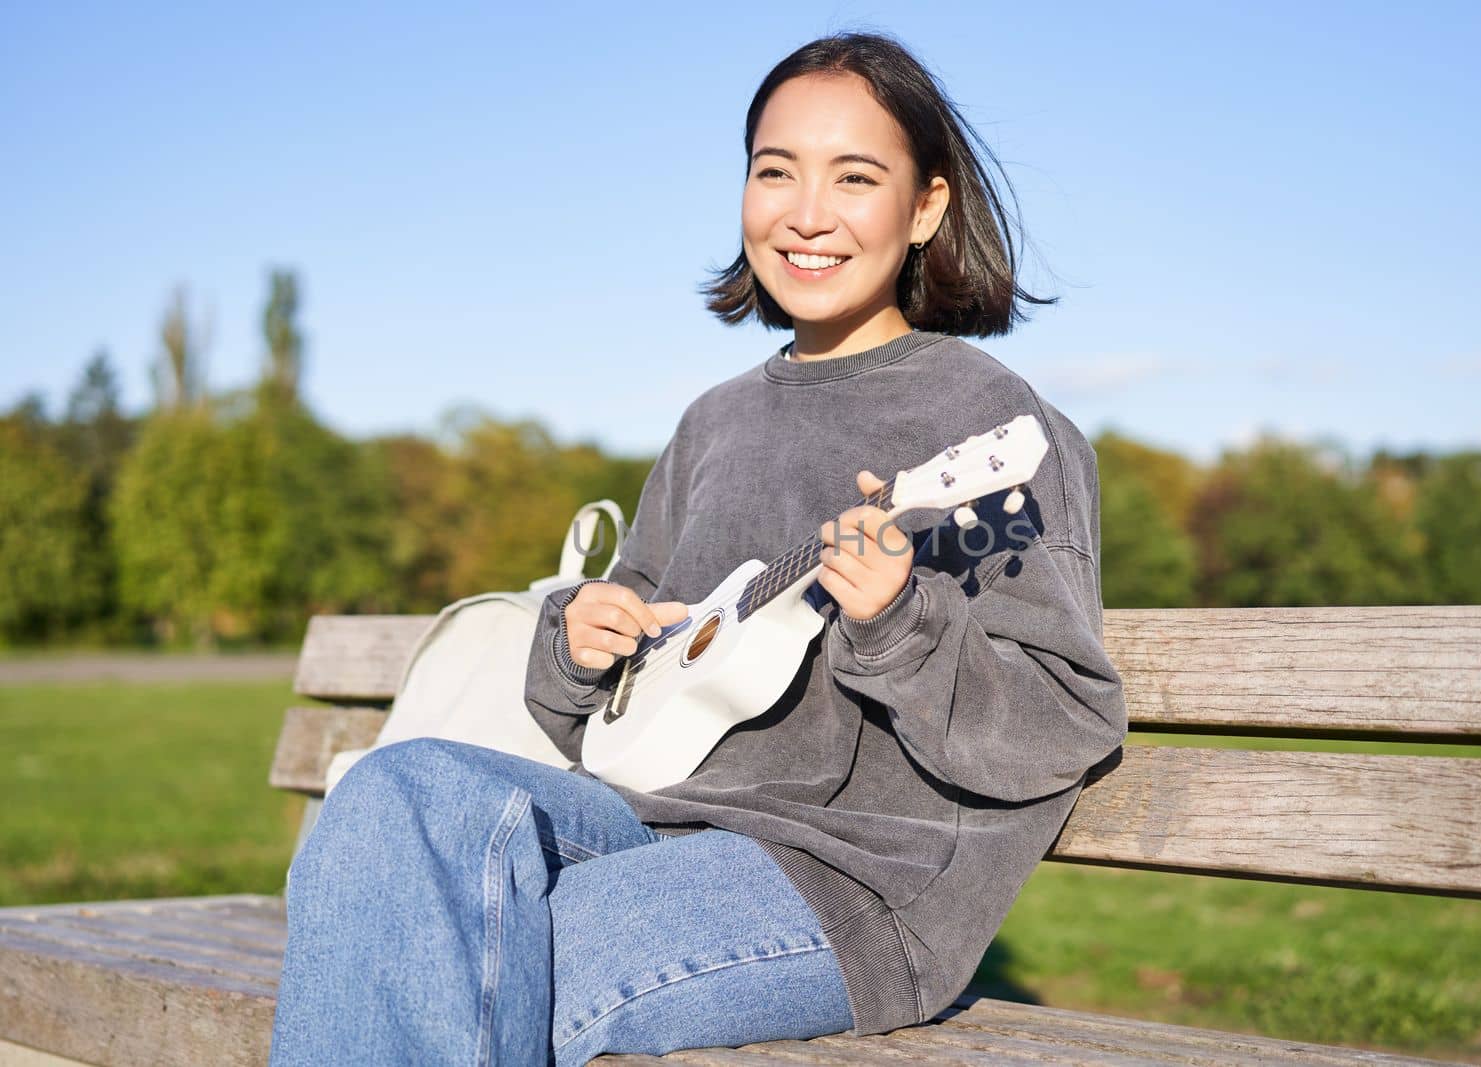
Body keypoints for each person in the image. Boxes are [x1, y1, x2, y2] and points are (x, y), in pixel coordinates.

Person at [269, 30, 1128, 1066]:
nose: (807, 213)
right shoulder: (712, 421)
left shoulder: (984, 420)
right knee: (389, 796)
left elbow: (1060, 721)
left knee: (443, 954)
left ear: (927, 208)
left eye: (855, 177)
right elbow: (622, 698)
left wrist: (900, 623)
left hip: (849, 880)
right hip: (646, 826)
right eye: (776, 171)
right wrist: (580, 641)